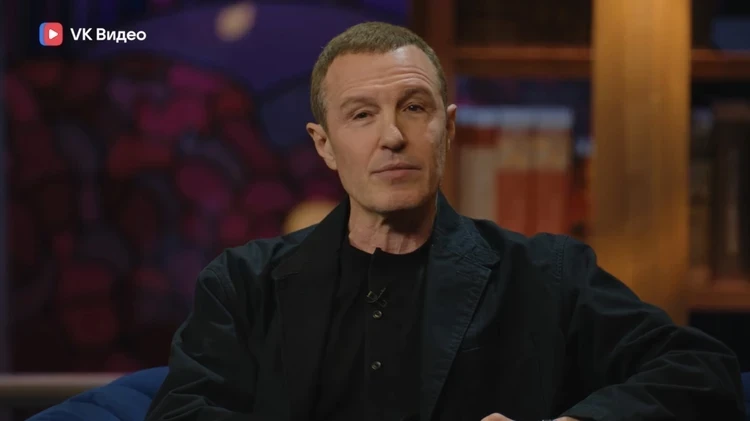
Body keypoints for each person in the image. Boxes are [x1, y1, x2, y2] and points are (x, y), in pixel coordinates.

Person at [145, 22, 746, 421]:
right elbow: (181, 412)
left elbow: (704, 372)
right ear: (324, 145)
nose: (393, 136)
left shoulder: (547, 274)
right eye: (362, 115)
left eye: (414, 107)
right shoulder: (243, 284)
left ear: (448, 128)